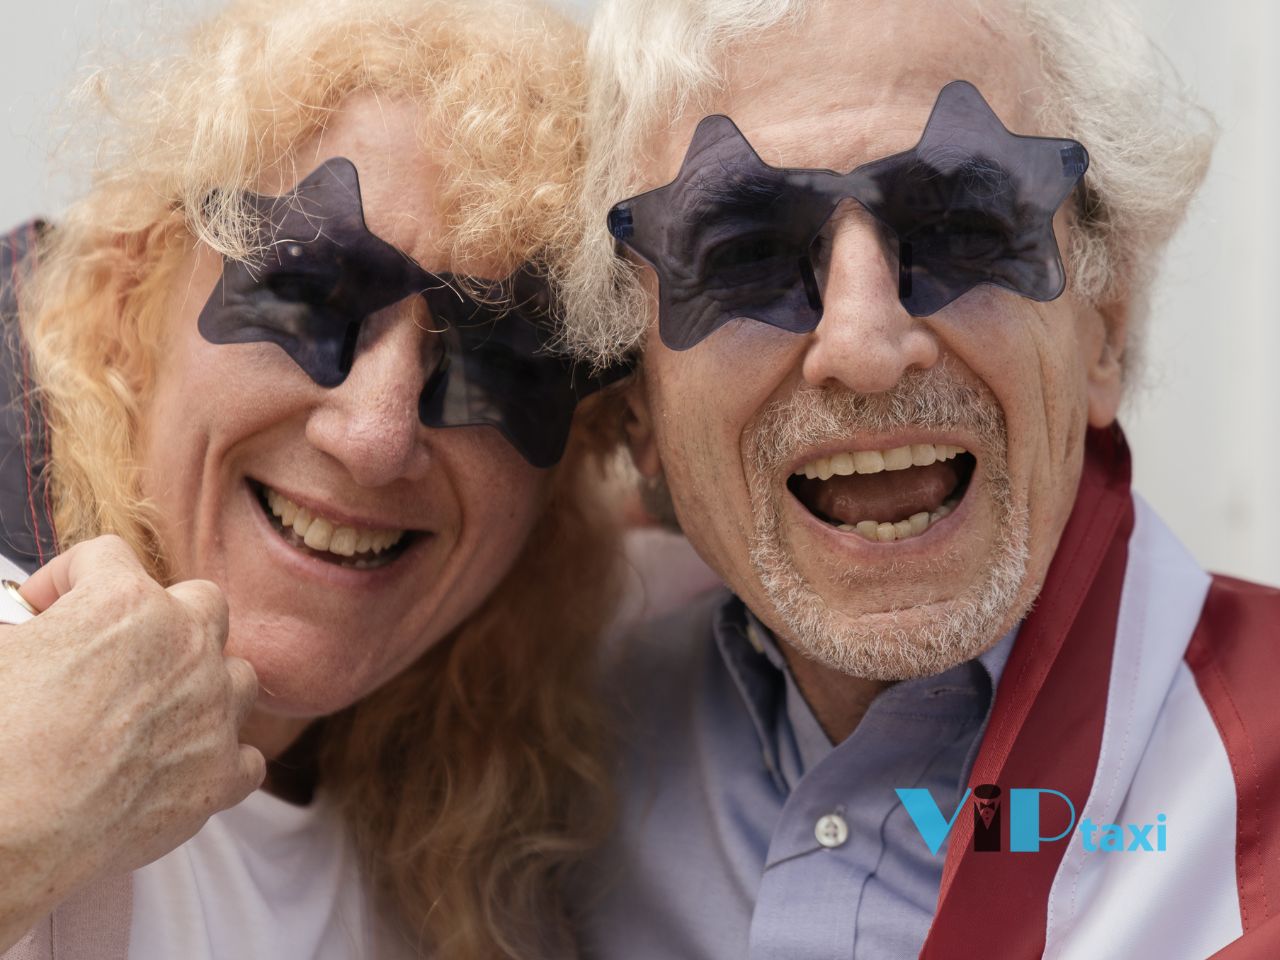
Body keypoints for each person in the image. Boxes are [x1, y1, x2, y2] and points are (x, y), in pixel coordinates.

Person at [562, 0, 1280, 957]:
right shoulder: (534, 767)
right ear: (636, 404)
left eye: (959, 224)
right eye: (744, 255)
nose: (863, 347)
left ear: (1104, 325)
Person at [0, 1, 629, 957]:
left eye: (502, 356)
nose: (375, 438)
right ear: (135, 290)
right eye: (305, 295)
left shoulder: (492, 852)